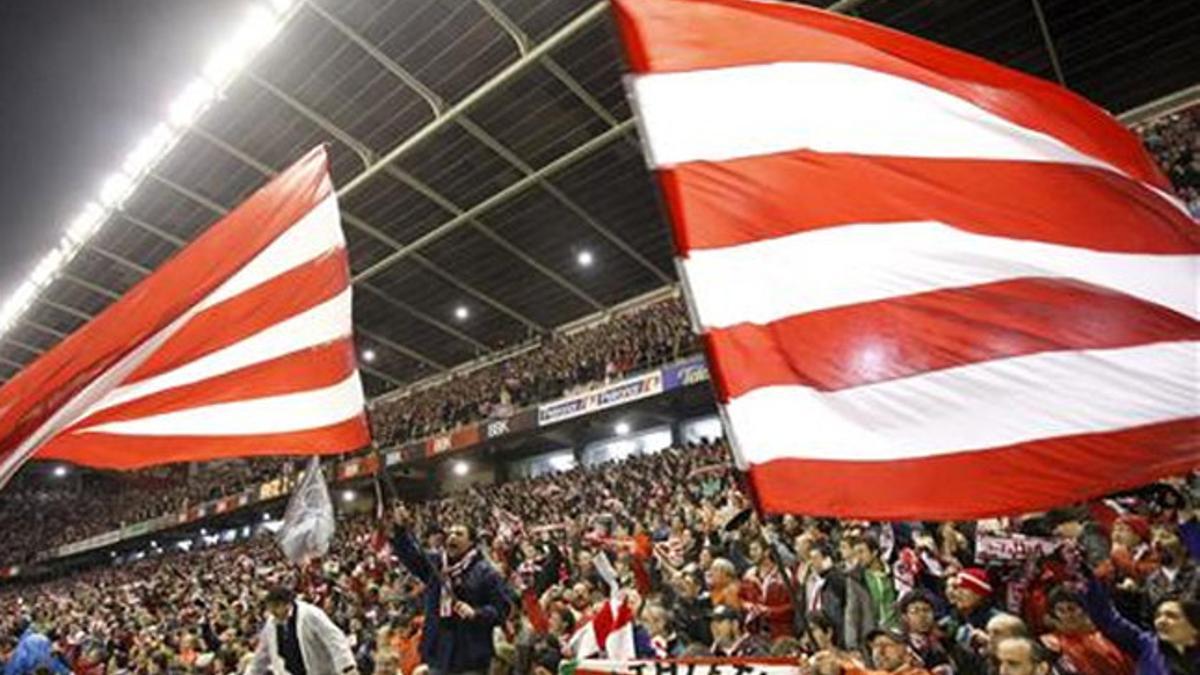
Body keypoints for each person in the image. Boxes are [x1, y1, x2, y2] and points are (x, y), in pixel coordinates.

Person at [392, 503, 511, 675]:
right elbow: (411, 557)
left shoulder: (486, 572)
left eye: (459, 533)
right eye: (450, 533)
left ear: (471, 542)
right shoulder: (436, 565)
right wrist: (400, 530)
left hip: (471, 657)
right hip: (439, 654)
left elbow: (503, 610)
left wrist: (477, 613)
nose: (451, 537)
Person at [1083, 576, 1200, 675]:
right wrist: (1087, 579)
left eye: (1171, 616)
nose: (1161, 621)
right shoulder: (1147, 645)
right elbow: (1107, 619)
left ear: (1194, 625)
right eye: (1158, 615)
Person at [247, 586, 358, 675]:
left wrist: (347, 667)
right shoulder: (272, 623)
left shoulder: (310, 614)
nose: (273, 612)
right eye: (270, 608)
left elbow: (333, 639)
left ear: (287, 603)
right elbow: (261, 655)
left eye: (276, 606)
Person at [1040, 586, 1133, 675]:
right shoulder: (1051, 643)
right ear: (1054, 614)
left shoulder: (1107, 636)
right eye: (1061, 610)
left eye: (1071, 609)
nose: (1068, 615)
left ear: (1084, 609)